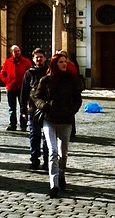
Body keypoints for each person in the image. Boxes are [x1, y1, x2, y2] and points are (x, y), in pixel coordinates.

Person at [32, 51, 84, 197]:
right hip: (49, 119)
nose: (64, 64)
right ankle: (53, 183)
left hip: (66, 120)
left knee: (63, 154)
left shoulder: (72, 80)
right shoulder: (45, 80)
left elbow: (78, 99)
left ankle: (61, 174)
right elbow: (37, 97)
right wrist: (43, 106)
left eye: (65, 61)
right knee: (53, 151)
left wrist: (72, 111)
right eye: (61, 62)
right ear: (55, 64)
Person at [20, 48, 48, 171]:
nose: (39, 59)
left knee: (47, 136)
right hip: (32, 108)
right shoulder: (29, 73)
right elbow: (24, 92)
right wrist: (23, 110)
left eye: (41, 56)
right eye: (37, 57)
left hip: (47, 109)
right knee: (34, 135)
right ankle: (34, 160)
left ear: (45, 58)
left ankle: (47, 161)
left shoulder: (49, 72)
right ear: (33, 59)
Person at [0, 45, 31, 131]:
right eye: (15, 51)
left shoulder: (26, 61)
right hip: (11, 87)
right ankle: (12, 124)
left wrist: (27, 84)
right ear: (11, 52)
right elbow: (2, 73)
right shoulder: (7, 62)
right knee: (11, 107)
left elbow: (30, 73)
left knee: (23, 107)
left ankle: (23, 124)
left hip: (22, 88)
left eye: (18, 51)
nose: (17, 53)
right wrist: (7, 81)